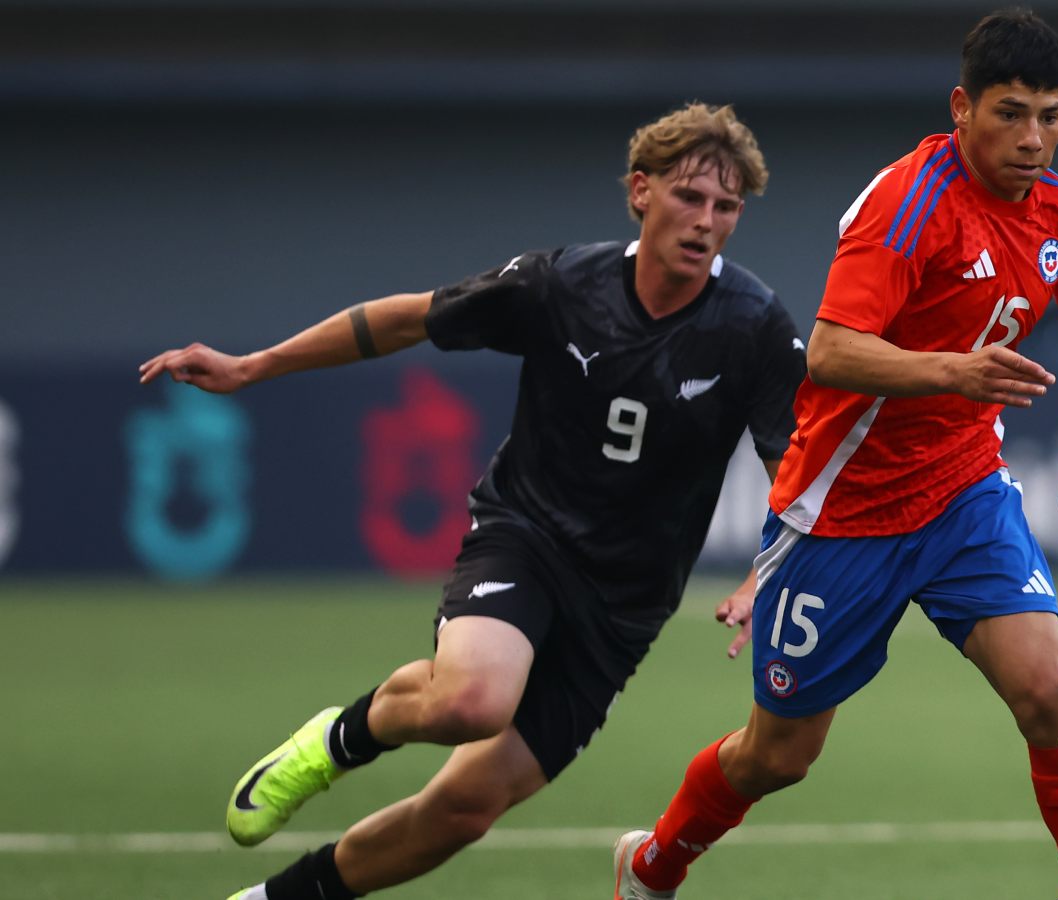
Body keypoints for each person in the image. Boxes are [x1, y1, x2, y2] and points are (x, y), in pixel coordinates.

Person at [138, 102, 807, 900]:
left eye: (725, 206)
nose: (705, 221)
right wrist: (253, 366)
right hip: (529, 536)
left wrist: (767, 572)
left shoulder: (755, 327)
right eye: (688, 197)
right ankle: (336, 741)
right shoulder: (562, 284)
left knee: (464, 807)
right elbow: (406, 321)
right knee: (471, 699)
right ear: (640, 191)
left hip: (625, 605)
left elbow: (795, 466)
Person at [612, 10, 1058, 899]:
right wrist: (952, 372)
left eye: (1051, 115)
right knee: (780, 754)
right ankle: (652, 866)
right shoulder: (909, 205)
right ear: (961, 107)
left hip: (964, 492)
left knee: (1046, 694)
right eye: (1011, 113)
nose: (1034, 138)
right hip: (840, 512)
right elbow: (832, 349)